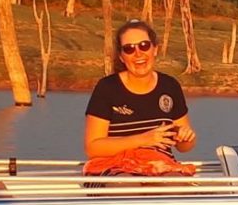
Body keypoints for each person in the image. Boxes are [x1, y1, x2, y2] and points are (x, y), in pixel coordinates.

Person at [83, 18, 197, 173]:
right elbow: (93, 148)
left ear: (155, 49)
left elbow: (185, 147)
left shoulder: (170, 86)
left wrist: (185, 137)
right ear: (122, 57)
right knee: (127, 188)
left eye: (144, 45)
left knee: (176, 188)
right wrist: (143, 139)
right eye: (129, 48)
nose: (138, 54)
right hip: (115, 167)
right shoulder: (107, 88)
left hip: (161, 166)